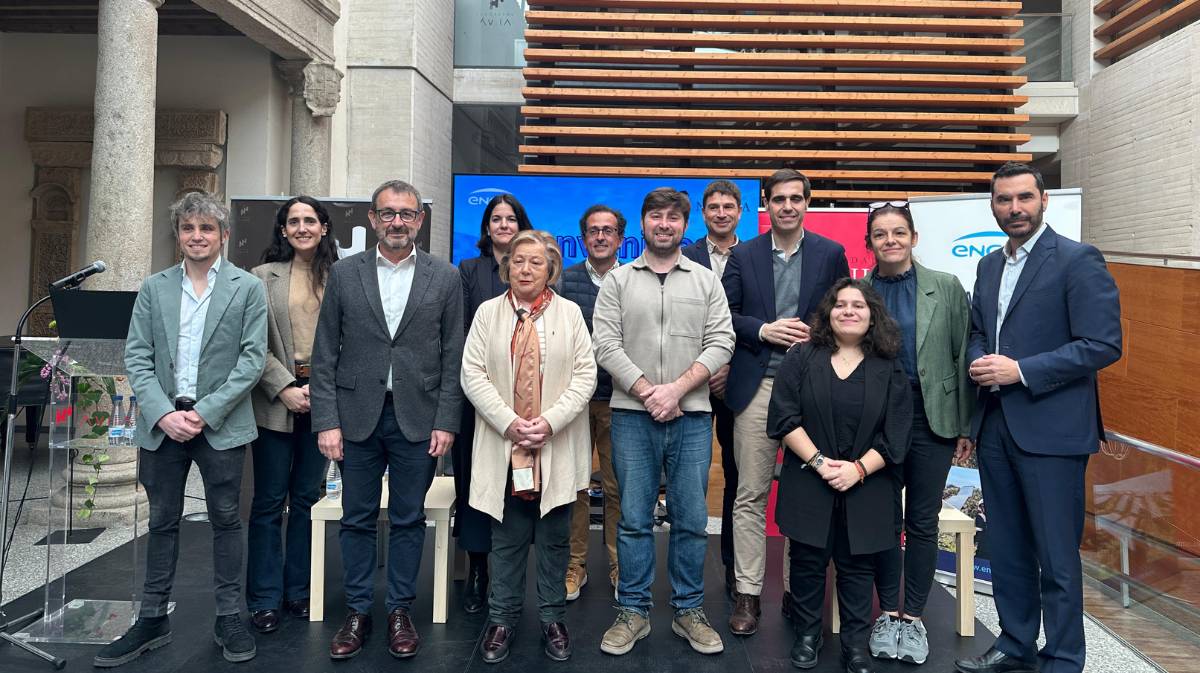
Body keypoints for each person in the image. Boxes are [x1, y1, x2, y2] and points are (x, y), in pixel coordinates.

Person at [955, 162, 1121, 673]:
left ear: (1043, 200)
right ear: (993, 206)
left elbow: (1102, 344)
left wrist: (1020, 370)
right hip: (997, 425)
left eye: (1024, 198)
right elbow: (981, 328)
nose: (1015, 209)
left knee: (1057, 557)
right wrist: (981, 360)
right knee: (1006, 548)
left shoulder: (1077, 260)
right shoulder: (987, 266)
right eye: (1004, 200)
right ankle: (1015, 643)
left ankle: (1066, 658)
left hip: (1052, 433)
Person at [100, 192, 268, 667]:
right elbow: (136, 355)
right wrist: (162, 413)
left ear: (224, 235)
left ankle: (228, 617)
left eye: (207, 229)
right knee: (161, 523)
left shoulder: (247, 287)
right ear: (178, 236)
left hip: (220, 425)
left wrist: (204, 412)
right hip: (162, 427)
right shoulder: (154, 287)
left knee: (226, 522)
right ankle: (152, 619)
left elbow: (252, 359)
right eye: (189, 229)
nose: (198, 236)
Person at [309, 179, 465, 660]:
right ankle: (358, 611)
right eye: (387, 213)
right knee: (355, 519)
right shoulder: (344, 273)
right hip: (355, 417)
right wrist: (326, 421)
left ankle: (399, 610)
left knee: (408, 518)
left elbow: (454, 354)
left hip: (418, 419)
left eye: (406, 214)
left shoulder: (445, 276)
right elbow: (323, 354)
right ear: (372, 219)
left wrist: (447, 421)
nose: (397, 221)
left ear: (420, 220)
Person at [594, 187, 735, 656]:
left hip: (692, 417)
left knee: (692, 518)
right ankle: (633, 612)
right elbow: (605, 345)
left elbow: (721, 341)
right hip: (632, 416)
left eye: (673, 218)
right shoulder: (617, 281)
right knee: (633, 518)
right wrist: (647, 392)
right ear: (643, 223)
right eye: (656, 216)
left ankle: (687, 611)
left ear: (684, 225)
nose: (664, 224)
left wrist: (675, 391)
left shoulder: (705, 280)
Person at [722, 168, 850, 634]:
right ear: (766, 204)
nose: (788, 206)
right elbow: (725, 314)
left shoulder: (831, 253)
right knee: (750, 494)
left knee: (805, 495)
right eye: (779, 199)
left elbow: (845, 313)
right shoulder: (745, 254)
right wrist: (763, 329)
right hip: (756, 388)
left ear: (807, 202)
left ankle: (800, 592)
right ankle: (748, 595)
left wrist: (814, 335)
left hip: (812, 391)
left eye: (796, 198)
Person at [462, 230, 597, 663]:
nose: (525, 269)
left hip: (554, 443)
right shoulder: (487, 313)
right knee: (508, 537)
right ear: (507, 266)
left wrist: (548, 423)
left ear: (551, 268)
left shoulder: (571, 313)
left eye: (536, 262)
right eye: (518, 261)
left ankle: (553, 619)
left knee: (557, 538)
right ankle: (502, 619)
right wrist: (511, 424)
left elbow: (585, 376)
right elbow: (473, 375)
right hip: (506, 444)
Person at [766, 278, 913, 673]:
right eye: (840, 304)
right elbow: (782, 416)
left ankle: (855, 645)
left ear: (873, 316)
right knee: (808, 561)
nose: (848, 311)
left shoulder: (889, 366)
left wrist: (858, 469)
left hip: (868, 481)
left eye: (858, 305)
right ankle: (808, 636)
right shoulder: (801, 357)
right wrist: (819, 463)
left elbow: (897, 433)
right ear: (828, 313)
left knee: (858, 565)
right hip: (808, 475)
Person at [861, 201, 974, 664]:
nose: (890, 241)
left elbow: (963, 355)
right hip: (877, 421)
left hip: (933, 420)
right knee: (883, 521)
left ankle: (915, 621)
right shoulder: (858, 290)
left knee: (922, 524)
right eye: (881, 234)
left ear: (913, 237)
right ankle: (888, 613)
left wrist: (967, 424)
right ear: (869, 242)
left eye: (898, 232)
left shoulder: (945, 287)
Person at [245, 196, 340, 633]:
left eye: (310, 220)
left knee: (305, 499)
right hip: (274, 400)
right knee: (268, 502)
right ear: (282, 229)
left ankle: (298, 590)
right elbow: (248, 344)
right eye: (293, 221)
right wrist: (283, 387)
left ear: (324, 227)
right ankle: (263, 598)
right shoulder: (260, 278)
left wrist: (318, 391)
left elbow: (350, 341)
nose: (302, 227)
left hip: (322, 398)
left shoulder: (340, 275)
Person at [455, 193, 535, 613]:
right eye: (496, 219)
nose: (504, 225)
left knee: (520, 487)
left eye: (511, 219)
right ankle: (479, 571)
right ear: (487, 228)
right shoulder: (468, 270)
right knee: (478, 486)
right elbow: (466, 332)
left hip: (529, 403)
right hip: (480, 401)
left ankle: (513, 571)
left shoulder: (537, 272)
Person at [557, 204, 626, 600]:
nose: (601, 237)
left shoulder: (634, 280)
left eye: (609, 230)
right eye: (594, 231)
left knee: (619, 487)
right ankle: (575, 565)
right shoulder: (563, 281)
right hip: (574, 402)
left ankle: (619, 563)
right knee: (576, 484)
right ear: (584, 237)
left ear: (620, 238)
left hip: (620, 400)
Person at [681, 180, 742, 600]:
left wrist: (728, 367)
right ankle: (686, 572)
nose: (721, 213)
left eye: (728, 206)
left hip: (738, 381)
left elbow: (752, 318)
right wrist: (704, 370)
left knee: (738, 477)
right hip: (690, 383)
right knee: (690, 478)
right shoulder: (682, 256)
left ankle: (734, 568)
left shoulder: (755, 256)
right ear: (702, 213)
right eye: (713, 207)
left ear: (740, 211)